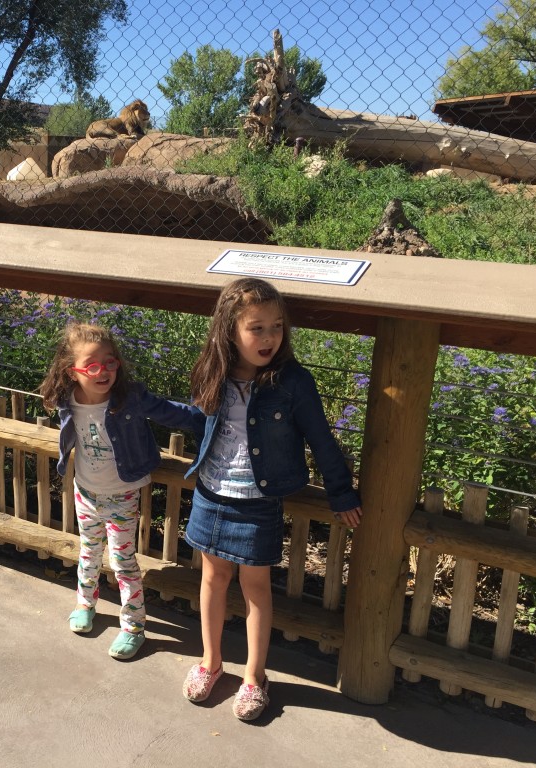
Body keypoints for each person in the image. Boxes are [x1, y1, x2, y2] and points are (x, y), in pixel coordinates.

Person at [181, 278, 363, 721]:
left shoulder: (293, 382)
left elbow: (321, 438)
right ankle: (210, 662)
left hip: (258, 499)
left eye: (276, 327)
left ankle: (254, 676)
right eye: (256, 328)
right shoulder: (214, 369)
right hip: (211, 491)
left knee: (256, 588)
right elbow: (195, 419)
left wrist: (340, 492)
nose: (268, 338)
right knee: (212, 580)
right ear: (229, 330)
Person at [40, 322, 204, 660]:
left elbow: (171, 413)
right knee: (88, 552)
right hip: (85, 489)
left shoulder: (129, 398)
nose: (104, 372)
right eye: (93, 366)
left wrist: (209, 417)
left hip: (122, 492)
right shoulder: (67, 401)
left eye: (110, 362)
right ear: (73, 372)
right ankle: (85, 605)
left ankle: (133, 626)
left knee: (123, 561)